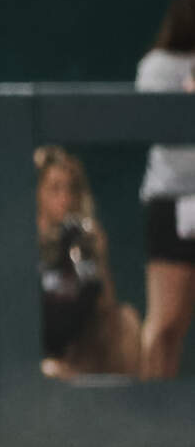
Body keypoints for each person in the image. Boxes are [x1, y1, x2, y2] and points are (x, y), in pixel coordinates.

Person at [36, 145, 141, 380]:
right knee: (49, 368)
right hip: (38, 353)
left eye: (71, 189)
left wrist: (99, 257)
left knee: (126, 320)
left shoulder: (82, 241)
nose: (65, 198)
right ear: (38, 193)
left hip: (76, 351)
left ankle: (126, 399)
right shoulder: (25, 242)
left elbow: (105, 309)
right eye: (55, 188)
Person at [137, 0, 195, 381]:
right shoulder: (158, 66)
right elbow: (165, 139)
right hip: (171, 200)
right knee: (166, 322)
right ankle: (148, 407)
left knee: (183, 322)